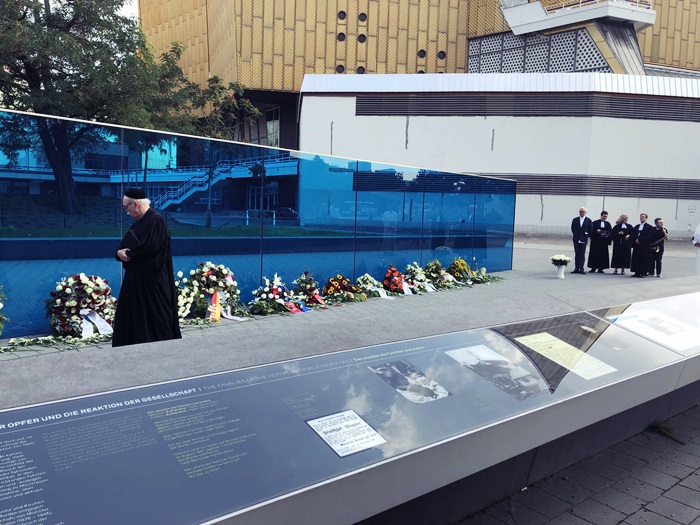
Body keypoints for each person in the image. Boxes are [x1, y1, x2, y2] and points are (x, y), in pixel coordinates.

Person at [112, 188, 182, 347]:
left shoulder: (155, 220)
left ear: (135, 204)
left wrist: (128, 253)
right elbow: (124, 247)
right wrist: (121, 253)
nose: (126, 212)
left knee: (156, 319)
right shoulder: (142, 222)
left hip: (152, 283)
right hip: (138, 282)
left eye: (126, 207)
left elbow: (153, 251)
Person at [630, 213, 653, 278]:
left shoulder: (649, 227)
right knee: (636, 258)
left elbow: (648, 236)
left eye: (643, 217)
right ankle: (636, 272)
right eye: (641, 217)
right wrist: (635, 240)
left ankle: (643, 272)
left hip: (644, 246)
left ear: (646, 218)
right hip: (637, 246)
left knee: (644, 259)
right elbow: (633, 234)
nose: (641, 218)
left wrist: (639, 240)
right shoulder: (637, 226)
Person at [570, 207, 592, 274]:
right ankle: (576, 268)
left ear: (585, 213)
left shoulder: (588, 220)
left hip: (584, 239)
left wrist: (586, 236)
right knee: (577, 254)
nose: (581, 213)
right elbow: (572, 228)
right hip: (576, 239)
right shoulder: (575, 220)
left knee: (582, 254)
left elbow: (590, 230)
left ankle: (581, 268)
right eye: (580, 211)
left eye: (583, 211)